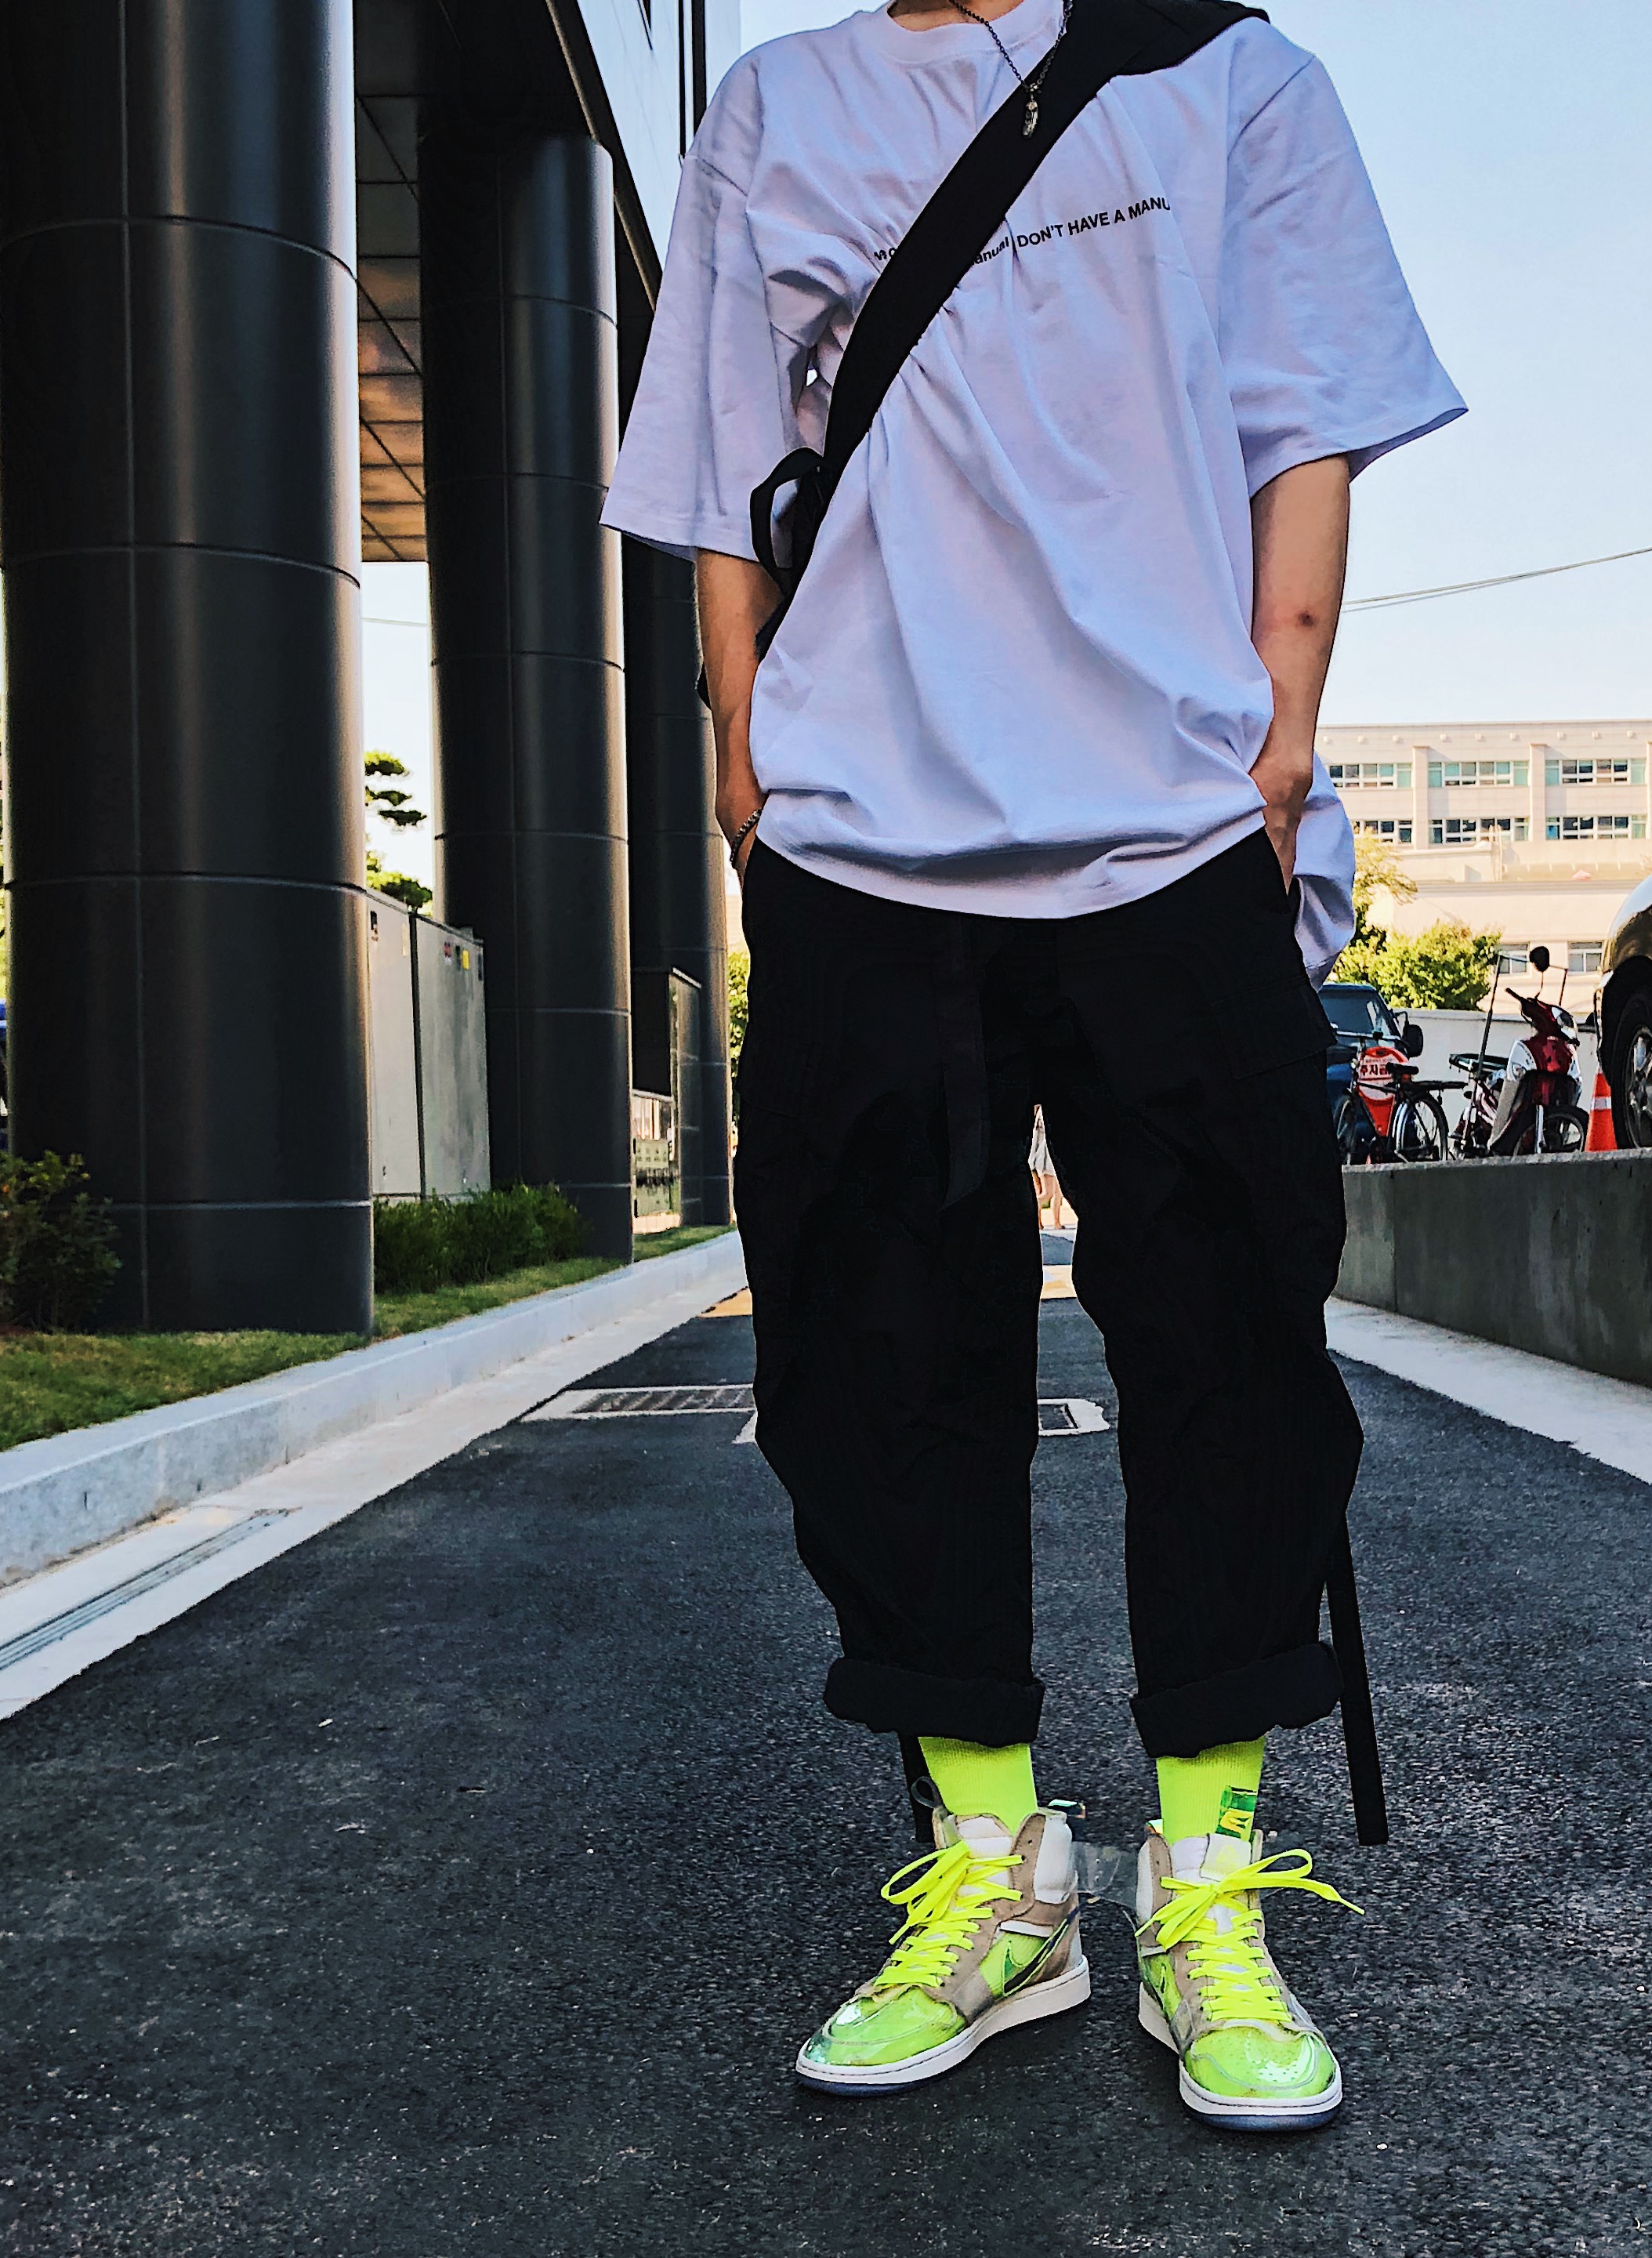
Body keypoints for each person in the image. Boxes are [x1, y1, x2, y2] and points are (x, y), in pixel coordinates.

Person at [605, 0, 1462, 2130]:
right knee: (870, 1354)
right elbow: (721, 466)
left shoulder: (1230, 73)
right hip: (862, 834)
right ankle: (997, 1865)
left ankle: (1207, 1882)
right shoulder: (778, 102)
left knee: (1228, 1346)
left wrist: (1280, 743)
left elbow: (1308, 427)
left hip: (1172, 819)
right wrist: (748, 755)